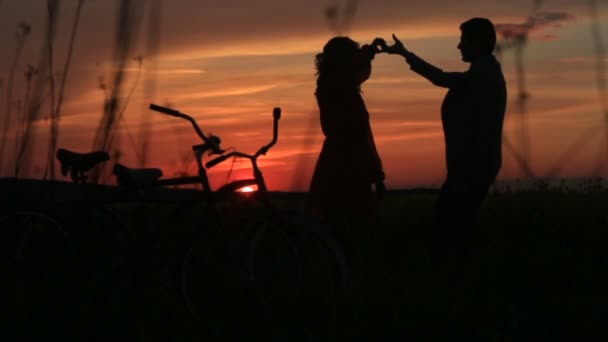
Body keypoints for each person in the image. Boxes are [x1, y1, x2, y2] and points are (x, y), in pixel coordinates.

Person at [379, 17, 507, 242]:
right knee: (456, 228)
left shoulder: (483, 75)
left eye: (463, 40)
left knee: (449, 231)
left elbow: (441, 78)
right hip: (470, 167)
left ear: (478, 42)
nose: (459, 46)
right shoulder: (483, 72)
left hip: (472, 168)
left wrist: (405, 54)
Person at [308, 36, 385, 261]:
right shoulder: (336, 85)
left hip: (346, 161)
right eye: (352, 54)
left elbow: (358, 72)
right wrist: (370, 50)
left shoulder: (341, 85)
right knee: (344, 226)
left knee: (346, 227)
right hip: (344, 164)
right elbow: (354, 71)